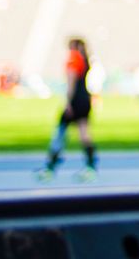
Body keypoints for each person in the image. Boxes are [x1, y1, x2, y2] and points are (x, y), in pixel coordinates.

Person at [36, 36, 97, 181]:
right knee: (84, 134)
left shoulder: (73, 58)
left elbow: (71, 82)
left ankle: (50, 166)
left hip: (75, 100)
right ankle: (90, 166)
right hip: (85, 99)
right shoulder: (85, 58)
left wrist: (68, 102)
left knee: (60, 132)